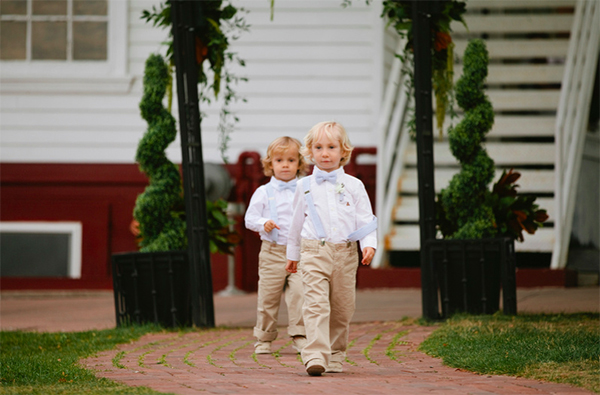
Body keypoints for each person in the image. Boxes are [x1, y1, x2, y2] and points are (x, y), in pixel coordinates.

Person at [286, 121, 377, 376]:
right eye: (318, 147)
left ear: (343, 150)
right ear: (310, 151)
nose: (325, 153)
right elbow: (295, 223)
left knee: (342, 307)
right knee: (315, 304)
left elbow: (366, 219)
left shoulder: (354, 185)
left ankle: (336, 353)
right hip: (313, 251)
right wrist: (292, 255)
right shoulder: (303, 185)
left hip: (345, 254)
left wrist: (368, 245)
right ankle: (315, 355)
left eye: (331, 147)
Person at [244, 136, 308, 355]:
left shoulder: (305, 189)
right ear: (270, 164)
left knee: (300, 293)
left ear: (299, 163)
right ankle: (264, 338)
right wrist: (264, 223)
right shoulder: (263, 192)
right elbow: (249, 218)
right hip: (272, 252)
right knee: (268, 296)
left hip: (299, 252)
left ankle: (300, 335)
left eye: (291, 160)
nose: (285, 165)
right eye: (279, 160)